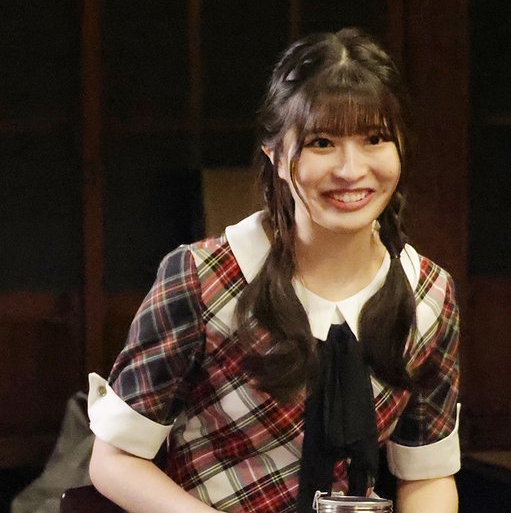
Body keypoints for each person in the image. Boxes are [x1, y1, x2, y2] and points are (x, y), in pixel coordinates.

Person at [88, 28, 461, 513]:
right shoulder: (203, 278)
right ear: (275, 155)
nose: (351, 170)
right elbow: (114, 460)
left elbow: (427, 477)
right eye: (323, 142)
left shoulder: (428, 292)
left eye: (375, 139)